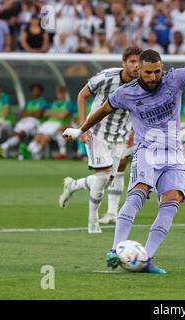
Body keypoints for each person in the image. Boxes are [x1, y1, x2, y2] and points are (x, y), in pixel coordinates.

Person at [62, 46, 185, 273]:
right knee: (139, 191)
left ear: (162, 68)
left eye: (157, 72)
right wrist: (81, 130)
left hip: (174, 153)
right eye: (148, 72)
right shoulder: (126, 92)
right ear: (139, 70)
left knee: (172, 200)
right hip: (146, 150)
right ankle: (114, 250)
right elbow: (103, 110)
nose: (153, 77)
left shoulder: (175, 78)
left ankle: (146, 258)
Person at [59, 47, 141, 233]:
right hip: (97, 131)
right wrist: (83, 128)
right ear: (124, 63)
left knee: (107, 180)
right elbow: (82, 95)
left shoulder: (143, 83)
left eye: (139, 62)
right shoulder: (107, 76)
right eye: (132, 61)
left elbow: (139, 110)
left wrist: (133, 132)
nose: (136, 66)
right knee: (103, 176)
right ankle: (92, 221)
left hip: (121, 134)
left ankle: (73, 185)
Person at [25, 85, 73, 160]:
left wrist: (52, 113)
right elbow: (46, 113)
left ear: (65, 94)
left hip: (59, 124)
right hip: (48, 123)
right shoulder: (53, 103)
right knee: (38, 135)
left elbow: (63, 115)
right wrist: (58, 114)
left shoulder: (68, 104)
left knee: (46, 137)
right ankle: (29, 151)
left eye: (62, 93)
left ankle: (34, 152)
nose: (60, 95)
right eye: (59, 93)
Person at [0, 84, 47, 158]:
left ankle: (3, 147)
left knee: (23, 131)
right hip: (25, 120)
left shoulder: (43, 101)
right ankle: (5, 148)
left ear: (40, 92)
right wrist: (32, 113)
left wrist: (28, 113)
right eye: (33, 90)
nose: (35, 92)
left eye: (37, 90)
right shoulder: (28, 102)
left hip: (35, 123)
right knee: (16, 133)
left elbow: (38, 114)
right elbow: (22, 113)